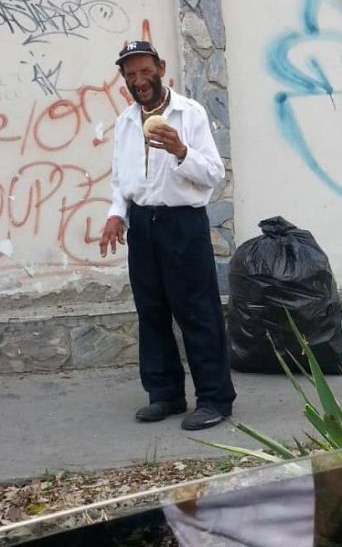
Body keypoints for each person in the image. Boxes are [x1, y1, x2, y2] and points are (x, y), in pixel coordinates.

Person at [99, 40, 236, 430]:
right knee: (152, 311)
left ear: (160, 68)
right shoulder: (126, 122)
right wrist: (115, 214)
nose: (139, 81)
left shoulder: (188, 113)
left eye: (145, 71)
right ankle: (165, 394)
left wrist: (181, 150)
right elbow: (120, 179)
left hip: (182, 224)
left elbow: (214, 174)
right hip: (142, 224)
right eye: (131, 75)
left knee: (197, 312)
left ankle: (214, 399)